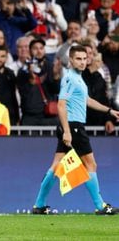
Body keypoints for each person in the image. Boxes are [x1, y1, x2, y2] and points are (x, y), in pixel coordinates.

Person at [32, 45, 119, 215]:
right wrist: (67, 131)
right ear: (71, 60)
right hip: (73, 126)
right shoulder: (70, 78)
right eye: (78, 59)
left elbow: (87, 100)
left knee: (56, 166)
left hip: (71, 126)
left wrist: (109, 110)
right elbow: (61, 105)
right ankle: (100, 205)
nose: (82, 62)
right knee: (90, 164)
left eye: (84, 58)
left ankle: (39, 205)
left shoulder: (78, 78)